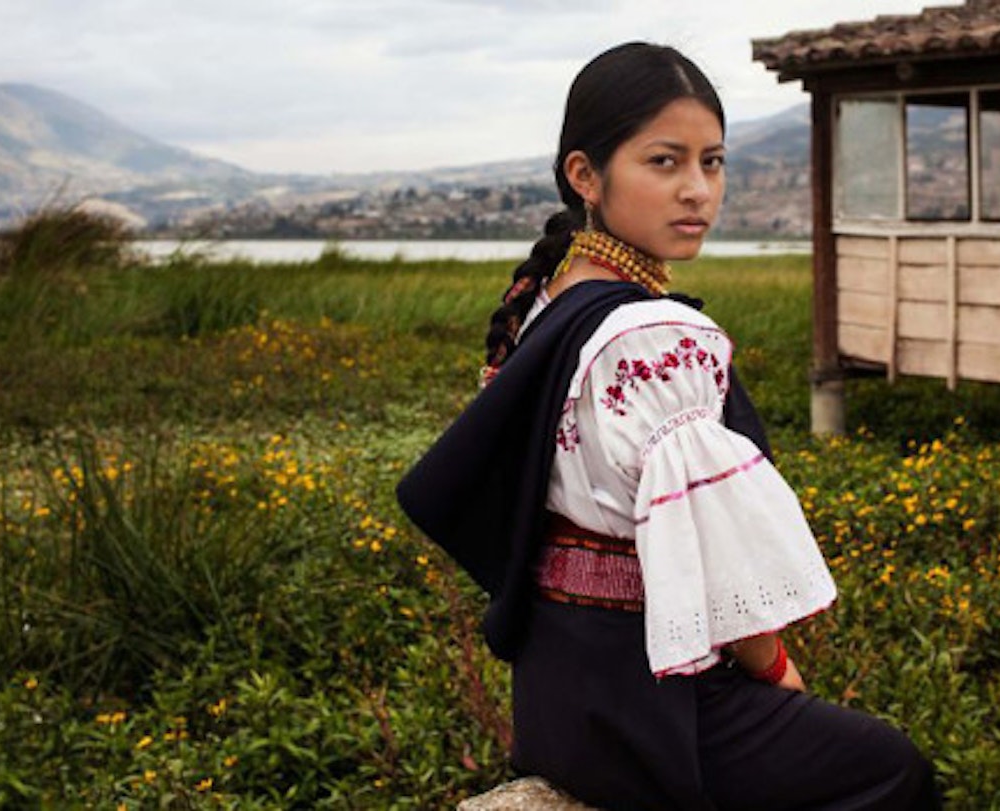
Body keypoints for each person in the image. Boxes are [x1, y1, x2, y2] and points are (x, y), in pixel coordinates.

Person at [397, 42, 940, 811]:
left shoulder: (546, 297)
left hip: (558, 693)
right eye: (664, 162)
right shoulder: (653, 336)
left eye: (712, 162)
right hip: (652, 706)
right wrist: (774, 663)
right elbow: (718, 561)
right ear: (586, 175)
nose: (698, 191)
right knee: (892, 767)